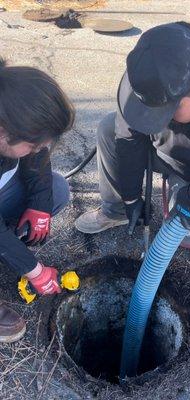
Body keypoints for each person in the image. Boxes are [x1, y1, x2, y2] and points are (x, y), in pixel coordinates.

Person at [75, 22, 190, 336]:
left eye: (165, 111)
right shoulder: (148, 72)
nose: (155, 120)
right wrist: (131, 196)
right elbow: (128, 135)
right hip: (170, 157)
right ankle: (115, 211)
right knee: (108, 128)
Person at [0, 58, 75, 342]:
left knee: (56, 188)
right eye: (32, 143)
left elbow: (39, 157)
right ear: (3, 132)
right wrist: (34, 270)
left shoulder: (10, 104)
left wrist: (39, 205)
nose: (40, 148)